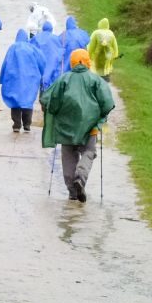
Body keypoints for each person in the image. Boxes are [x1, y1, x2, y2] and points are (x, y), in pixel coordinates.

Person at [40, 49, 115, 203]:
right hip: (90, 127)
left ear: (72, 62)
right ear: (88, 61)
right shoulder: (96, 80)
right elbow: (107, 103)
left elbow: (49, 100)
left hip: (66, 128)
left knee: (68, 157)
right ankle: (80, 177)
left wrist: (53, 111)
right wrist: (99, 117)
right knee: (88, 152)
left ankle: (73, 193)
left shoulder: (63, 79)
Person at [0, 29, 45, 132]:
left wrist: (2, 78)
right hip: (30, 80)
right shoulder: (32, 48)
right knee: (28, 101)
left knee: (15, 101)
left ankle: (16, 124)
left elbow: (5, 64)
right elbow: (42, 62)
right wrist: (42, 74)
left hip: (14, 80)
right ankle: (27, 124)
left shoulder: (12, 48)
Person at [30, 21, 63, 91]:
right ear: (51, 29)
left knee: (41, 80)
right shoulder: (56, 38)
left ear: (43, 29)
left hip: (40, 63)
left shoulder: (36, 38)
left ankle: (42, 92)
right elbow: (61, 51)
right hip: (52, 62)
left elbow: (31, 49)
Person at [87, 17, 119, 81]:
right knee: (106, 69)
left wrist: (89, 54)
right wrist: (115, 55)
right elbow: (115, 46)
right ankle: (105, 81)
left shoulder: (96, 33)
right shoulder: (111, 33)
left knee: (96, 70)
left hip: (97, 56)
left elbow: (91, 45)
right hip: (108, 56)